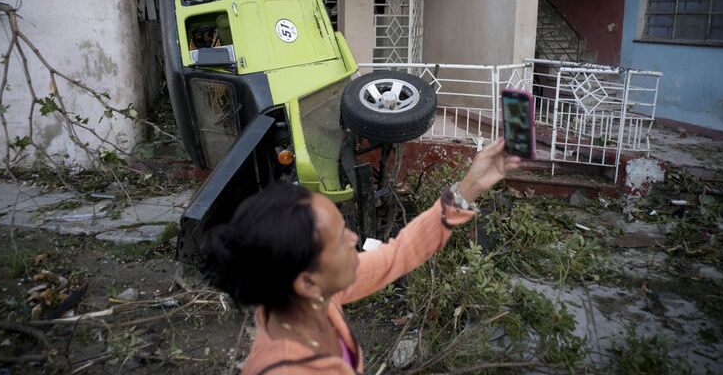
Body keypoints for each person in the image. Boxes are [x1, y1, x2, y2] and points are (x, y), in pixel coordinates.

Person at [200, 137, 521, 374]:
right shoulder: (287, 368)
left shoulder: (315, 300)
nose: (354, 238)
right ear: (308, 281)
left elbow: (399, 254)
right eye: (341, 240)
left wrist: (471, 185)